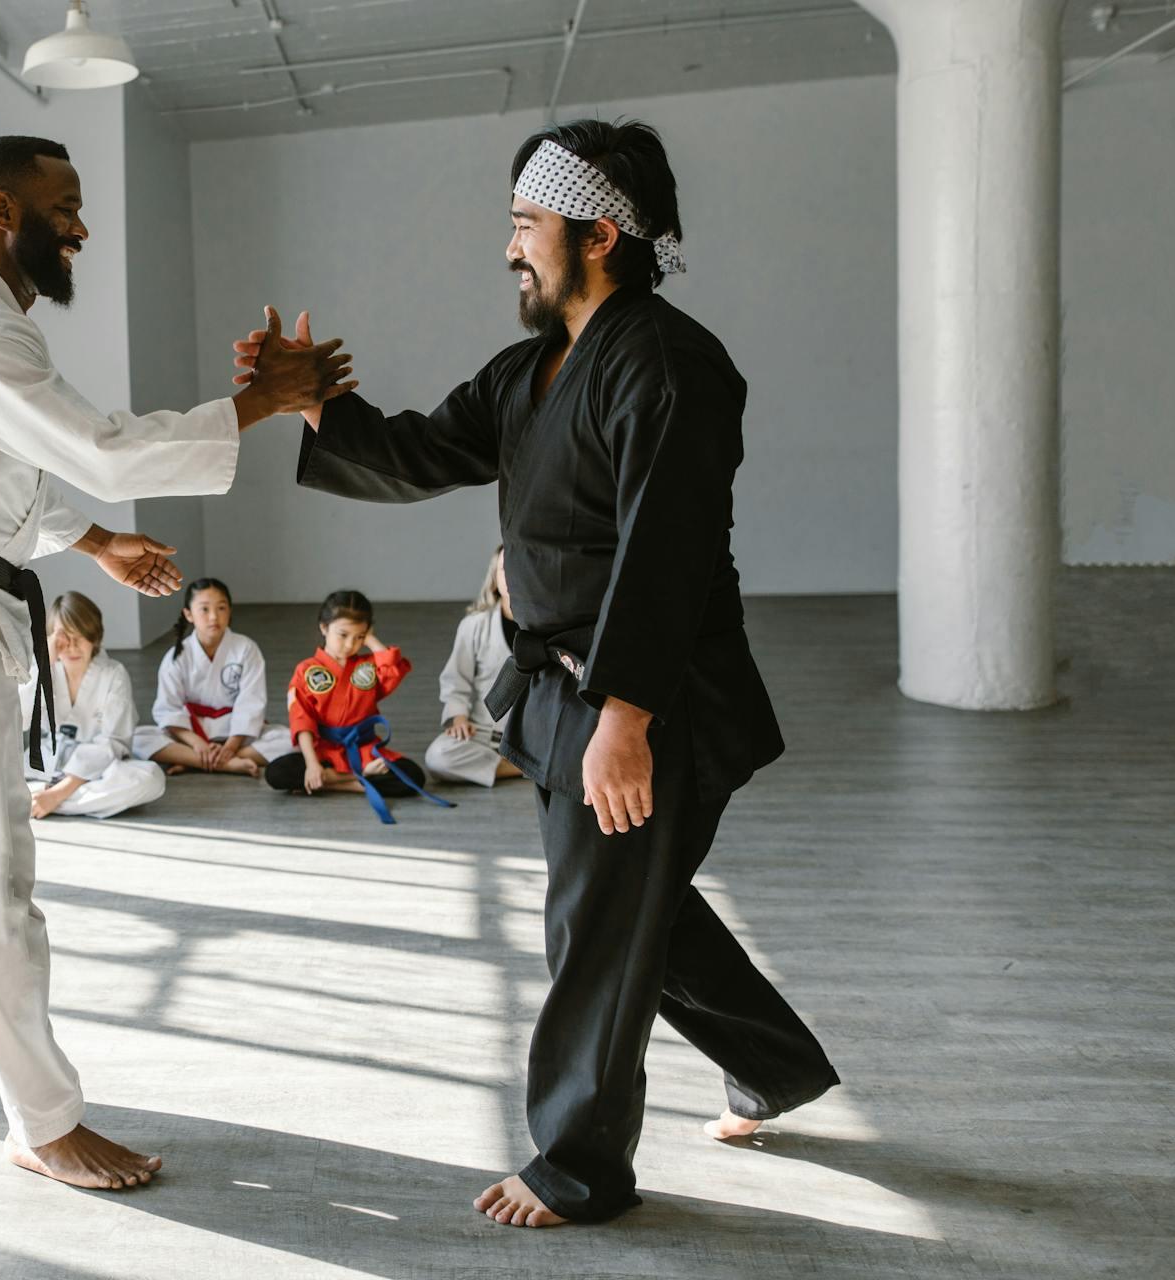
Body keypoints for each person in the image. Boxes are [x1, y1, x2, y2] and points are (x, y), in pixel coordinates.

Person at [238, 119, 838, 1226]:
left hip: (652, 705)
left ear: (598, 232)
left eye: (526, 225)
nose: (510, 248)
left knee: (598, 929)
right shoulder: (535, 368)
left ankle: (579, 1166)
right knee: (636, 916)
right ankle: (780, 1067)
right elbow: (425, 449)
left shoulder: (672, 367)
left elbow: (669, 553)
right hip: (568, 694)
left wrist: (628, 718)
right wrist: (310, 402)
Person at [0, 134, 352, 1193]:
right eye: (66, 208)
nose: (82, 227)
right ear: (4, 210)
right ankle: (42, 1120)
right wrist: (258, 402)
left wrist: (96, 543)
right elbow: (95, 446)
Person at [265, 590, 452, 824]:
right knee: (277, 772)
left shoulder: (368, 666)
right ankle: (356, 782)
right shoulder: (306, 670)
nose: (349, 644)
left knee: (412, 776)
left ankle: (335, 782)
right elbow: (301, 720)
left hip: (363, 749)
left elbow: (392, 670)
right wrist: (312, 764)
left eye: (359, 637)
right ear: (324, 628)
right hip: (324, 750)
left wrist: (371, 640)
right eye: (342, 634)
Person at [131, 578, 295, 776]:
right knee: (136, 738)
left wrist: (230, 747)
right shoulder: (177, 655)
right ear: (188, 614)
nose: (213, 617)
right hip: (191, 730)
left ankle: (192, 760)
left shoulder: (246, 649)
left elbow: (251, 703)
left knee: (292, 741)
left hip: (234, 727)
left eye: (221, 608)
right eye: (205, 609)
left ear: (230, 611)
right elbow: (168, 709)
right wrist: (198, 744)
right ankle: (228, 763)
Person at [22, 592, 164, 819]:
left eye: (80, 636)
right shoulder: (43, 669)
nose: (72, 646)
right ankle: (54, 800)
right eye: (64, 636)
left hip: (98, 768)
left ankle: (40, 802)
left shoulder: (113, 674)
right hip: (47, 763)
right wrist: (43, 666)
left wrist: (58, 794)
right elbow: (19, 719)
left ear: (94, 637)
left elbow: (113, 742)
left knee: (151, 779)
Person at [423, 546, 524, 786]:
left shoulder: (550, 627)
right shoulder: (474, 625)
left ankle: (524, 762)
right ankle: (520, 768)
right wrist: (457, 716)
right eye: (504, 569)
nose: (512, 576)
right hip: (483, 733)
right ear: (494, 577)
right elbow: (456, 679)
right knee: (438, 757)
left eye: (520, 569)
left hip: (534, 735)